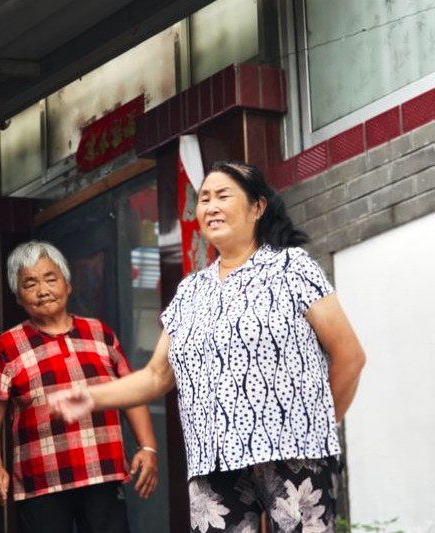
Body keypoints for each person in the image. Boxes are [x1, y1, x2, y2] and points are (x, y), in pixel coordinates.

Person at [49, 161, 366, 533]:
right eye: (204, 199)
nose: (211, 207)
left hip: (294, 453)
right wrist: (92, 397)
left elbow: (350, 357)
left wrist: (315, 427)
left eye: (223, 196)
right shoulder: (190, 292)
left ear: (257, 207)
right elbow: (155, 377)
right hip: (213, 463)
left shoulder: (291, 268)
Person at [0, 240, 159, 533]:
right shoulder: (7, 346)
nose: (43, 290)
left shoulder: (100, 333)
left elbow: (131, 392)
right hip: (41, 480)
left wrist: (148, 446)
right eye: (30, 284)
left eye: (51, 279)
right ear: (19, 297)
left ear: (68, 284)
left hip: (102, 471)